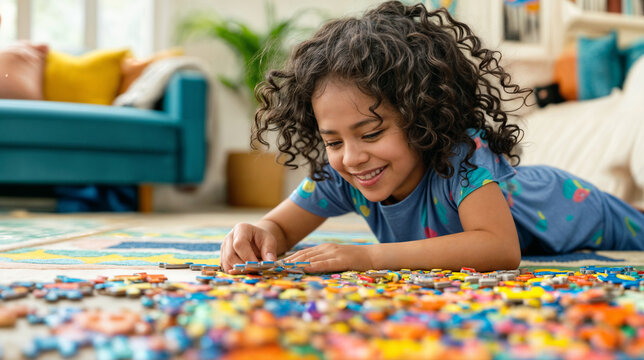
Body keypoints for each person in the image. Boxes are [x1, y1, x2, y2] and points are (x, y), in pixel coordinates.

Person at [220, 1, 644, 273]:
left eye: (371, 132)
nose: (351, 157)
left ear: (421, 119)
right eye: (333, 141)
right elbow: (277, 227)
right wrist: (257, 235)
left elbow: (499, 248)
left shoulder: (462, 158)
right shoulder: (344, 175)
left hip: (577, 205)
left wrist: (368, 258)